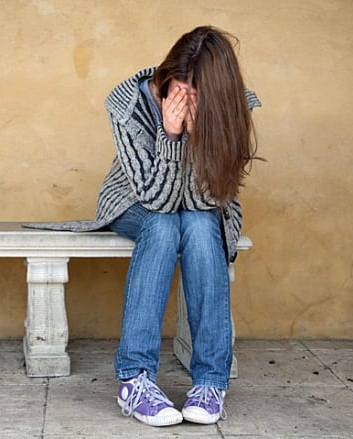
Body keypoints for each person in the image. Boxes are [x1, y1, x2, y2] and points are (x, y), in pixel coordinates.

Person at [27, 25, 260, 427]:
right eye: (177, 89)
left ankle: (210, 382)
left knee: (203, 226)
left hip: (202, 209)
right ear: (166, 77)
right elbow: (156, 199)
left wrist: (201, 132)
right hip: (132, 202)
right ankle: (135, 379)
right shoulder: (127, 103)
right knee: (165, 225)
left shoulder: (234, 107)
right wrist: (170, 136)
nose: (183, 101)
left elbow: (209, 198)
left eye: (196, 96)